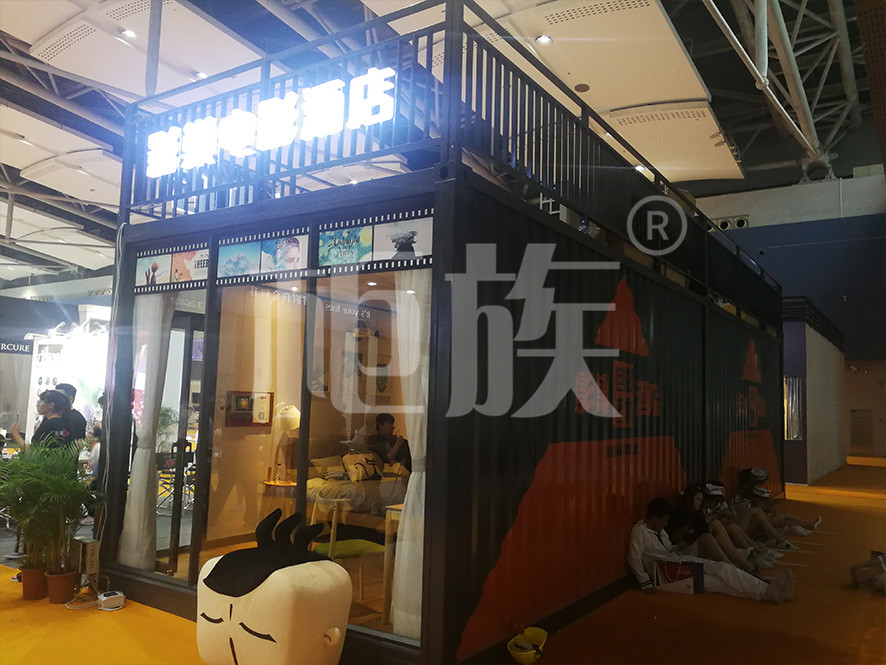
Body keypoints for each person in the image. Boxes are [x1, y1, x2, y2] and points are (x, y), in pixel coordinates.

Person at [628, 497, 795, 603]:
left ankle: (766, 588)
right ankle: (767, 591)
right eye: (664, 520)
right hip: (665, 573)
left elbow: (664, 549)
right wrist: (645, 583)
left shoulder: (659, 530)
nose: (666, 524)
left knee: (722, 568)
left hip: (676, 561)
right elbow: (634, 558)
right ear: (655, 518)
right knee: (717, 583)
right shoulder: (639, 532)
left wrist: (676, 547)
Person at [667, 484, 759, 575]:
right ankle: (736, 568)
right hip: (683, 550)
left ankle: (746, 566)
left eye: (701, 500)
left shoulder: (698, 515)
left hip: (696, 544)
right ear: (690, 499)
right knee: (709, 536)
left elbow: (703, 530)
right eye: (698, 499)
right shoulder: (677, 516)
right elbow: (671, 540)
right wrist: (683, 531)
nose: (700, 502)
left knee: (716, 529)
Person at [8, 390, 73, 449]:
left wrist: (16, 434)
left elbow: (33, 452)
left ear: (51, 405)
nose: (37, 404)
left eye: (40, 401)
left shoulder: (50, 424)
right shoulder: (61, 421)